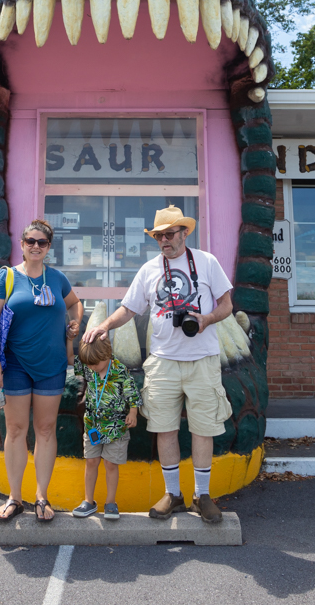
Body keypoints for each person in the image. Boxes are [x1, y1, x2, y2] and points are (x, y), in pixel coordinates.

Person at [83, 205, 233, 524]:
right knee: (164, 429)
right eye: (159, 235)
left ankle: (202, 495)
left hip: (202, 360)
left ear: (184, 233)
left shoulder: (207, 263)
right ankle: (173, 494)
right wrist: (104, 326)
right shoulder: (150, 269)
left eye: (170, 234)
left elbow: (227, 305)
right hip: (163, 362)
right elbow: (129, 308)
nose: (164, 240)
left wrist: (206, 319)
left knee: (203, 430)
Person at [0, 218, 84, 523]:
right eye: (31, 241)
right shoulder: (7, 277)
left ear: (49, 247)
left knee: (45, 430)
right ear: (23, 244)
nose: (36, 247)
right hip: (15, 365)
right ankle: (15, 498)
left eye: (42, 242)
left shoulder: (57, 278)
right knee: (16, 430)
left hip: (51, 365)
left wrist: (75, 323)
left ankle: (41, 497)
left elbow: (76, 303)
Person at [70, 335, 142, 520]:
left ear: (107, 354)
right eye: (89, 364)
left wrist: (132, 412)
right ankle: (88, 501)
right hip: (93, 425)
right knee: (91, 461)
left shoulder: (120, 371)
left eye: (95, 363)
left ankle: (110, 502)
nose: (92, 367)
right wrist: (70, 340)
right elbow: (71, 359)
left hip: (115, 427)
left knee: (111, 464)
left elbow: (132, 393)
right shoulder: (89, 368)